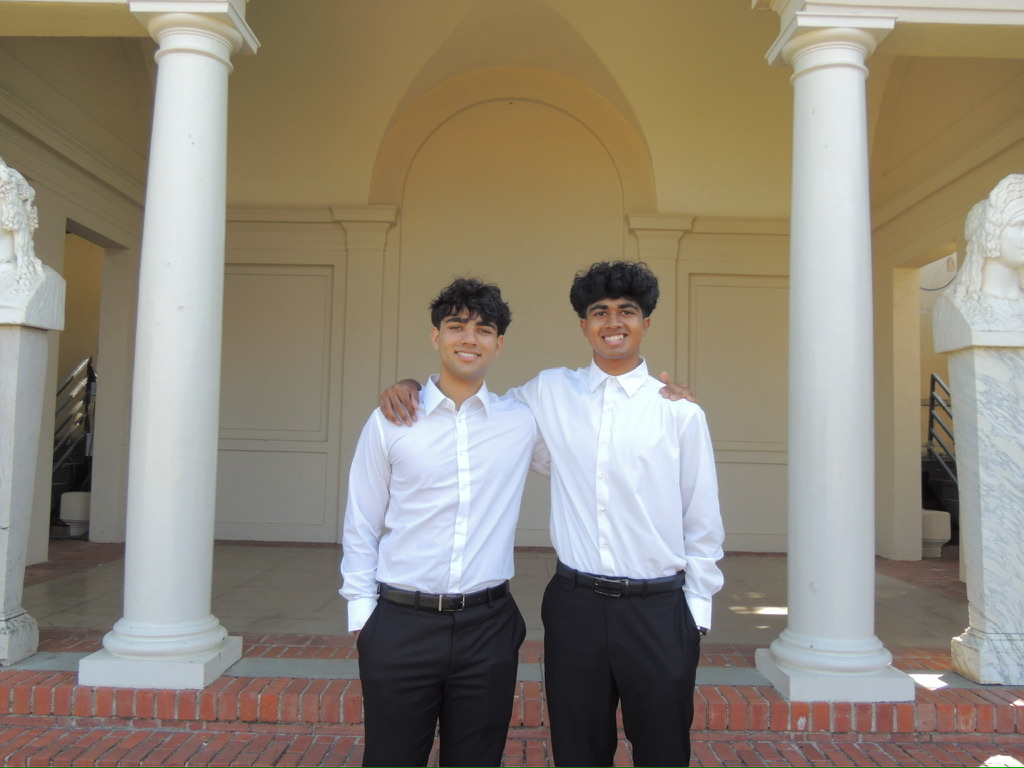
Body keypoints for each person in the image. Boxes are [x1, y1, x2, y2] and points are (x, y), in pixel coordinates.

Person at [380, 261, 725, 767]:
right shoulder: (549, 392)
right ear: (583, 324)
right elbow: (475, 411)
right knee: (576, 751)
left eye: (627, 311)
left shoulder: (679, 413)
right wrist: (411, 384)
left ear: (645, 323)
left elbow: (703, 520)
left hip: (658, 611)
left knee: (664, 752)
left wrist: (695, 614)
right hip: (575, 607)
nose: (613, 322)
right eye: (599, 312)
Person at [340, 277, 547, 767]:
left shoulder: (521, 421)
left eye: (484, 330)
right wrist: (363, 618)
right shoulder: (391, 420)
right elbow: (361, 521)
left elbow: (595, 446)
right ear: (436, 336)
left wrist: (663, 399)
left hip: (488, 626)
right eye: (456, 326)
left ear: (499, 344)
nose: (469, 339)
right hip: (400, 624)